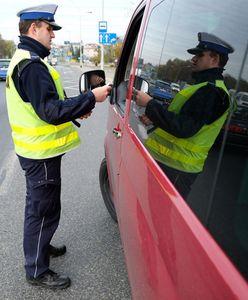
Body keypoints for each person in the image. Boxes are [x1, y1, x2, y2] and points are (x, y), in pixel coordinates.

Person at [5, 4, 112, 290]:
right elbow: (49, 111)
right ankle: (37, 271)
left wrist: (78, 108)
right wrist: (91, 96)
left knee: (43, 206)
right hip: (40, 154)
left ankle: (41, 246)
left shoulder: (28, 59)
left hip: (38, 152)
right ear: (34, 28)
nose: (53, 35)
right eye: (49, 28)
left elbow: (50, 105)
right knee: (41, 210)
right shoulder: (32, 65)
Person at [135, 32, 234, 199]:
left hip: (176, 169)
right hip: (168, 165)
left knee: (159, 218)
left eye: (199, 55)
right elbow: (185, 119)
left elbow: (184, 128)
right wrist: (156, 119)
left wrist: (151, 104)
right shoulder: (204, 87)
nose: (193, 59)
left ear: (214, 59)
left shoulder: (212, 91)